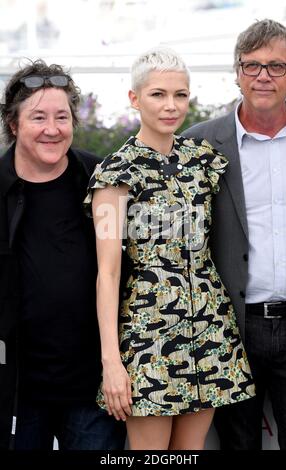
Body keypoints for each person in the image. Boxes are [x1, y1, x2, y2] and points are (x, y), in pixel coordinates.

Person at [85, 46, 255, 451]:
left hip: (211, 328)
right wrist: (112, 361)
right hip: (149, 335)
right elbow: (107, 273)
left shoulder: (203, 161)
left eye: (180, 94)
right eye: (158, 94)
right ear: (134, 98)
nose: (171, 105)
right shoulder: (116, 173)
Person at [183, 18, 286, 450]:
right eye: (251, 66)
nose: (263, 77)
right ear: (236, 73)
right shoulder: (199, 145)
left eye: (276, 66)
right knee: (237, 444)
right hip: (231, 327)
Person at [0, 60, 126, 450]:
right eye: (38, 117)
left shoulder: (101, 180)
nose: (52, 129)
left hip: (92, 389)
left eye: (62, 117)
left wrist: (116, 363)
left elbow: (128, 270)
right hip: (19, 393)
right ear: (14, 124)